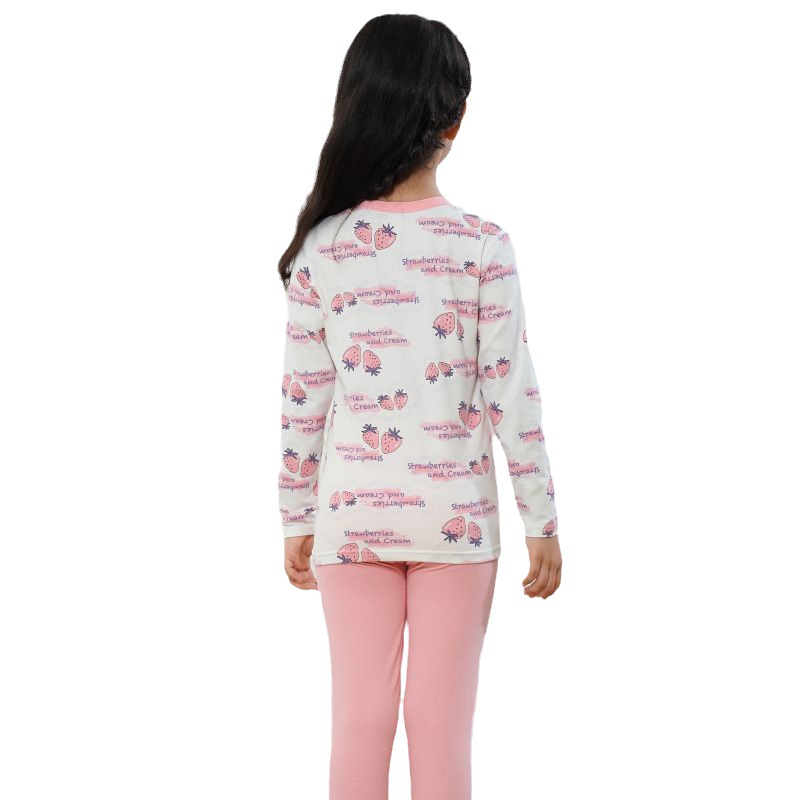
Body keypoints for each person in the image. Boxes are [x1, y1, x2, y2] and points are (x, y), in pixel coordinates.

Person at [276, 13, 562, 800]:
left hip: (351, 522)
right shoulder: (482, 246)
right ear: (454, 121)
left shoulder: (322, 250)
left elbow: (302, 402)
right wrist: (541, 518)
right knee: (440, 728)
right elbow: (512, 392)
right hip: (455, 526)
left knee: (358, 722)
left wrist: (296, 516)